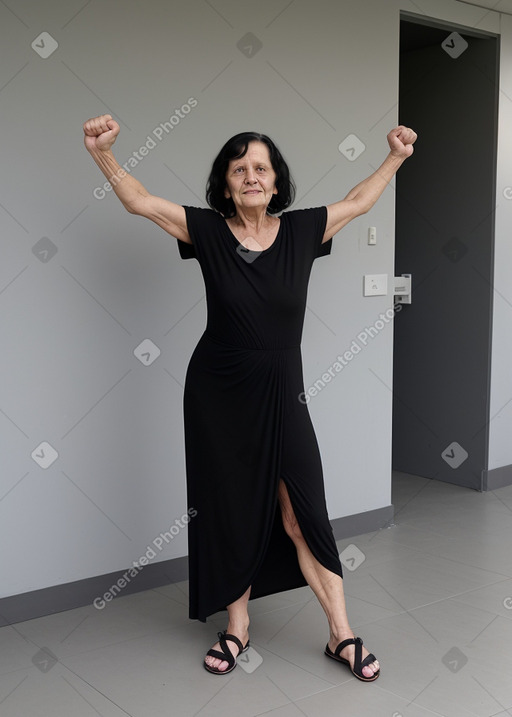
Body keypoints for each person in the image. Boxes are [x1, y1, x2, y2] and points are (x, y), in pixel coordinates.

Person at [83, 115, 417, 682]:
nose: (251, 176)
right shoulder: (208, 231)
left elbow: (358, 202)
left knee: (302, 511)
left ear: (276, 182)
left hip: (283, 392)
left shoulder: (305, 231)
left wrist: (394, 158)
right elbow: (140, 202)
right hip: (218, 393)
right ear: (227, 184)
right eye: (239, 169)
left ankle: (342, 634)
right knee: (230, 508)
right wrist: (104, 155)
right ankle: (236, 626)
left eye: (260, 167)